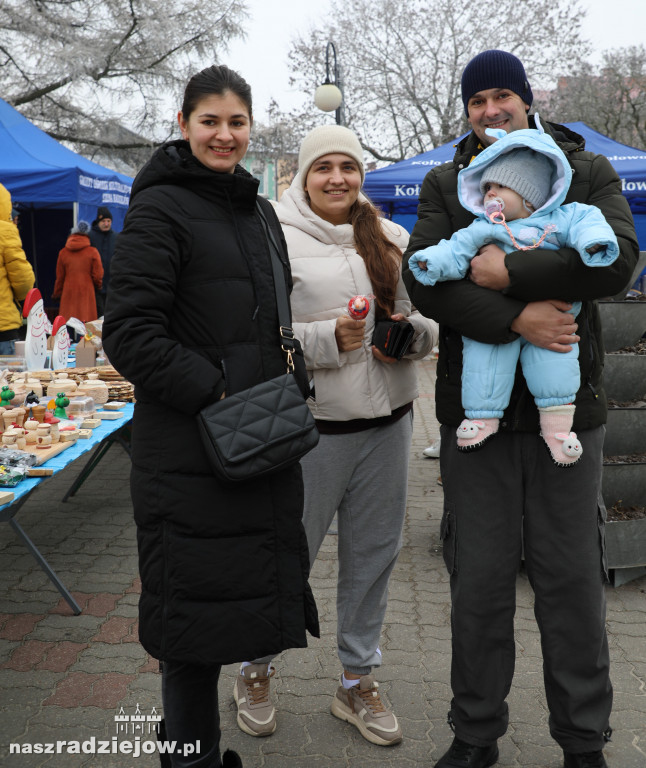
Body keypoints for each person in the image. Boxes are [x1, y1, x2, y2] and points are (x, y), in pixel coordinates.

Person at [402, 49, 638, 768]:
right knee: (478, 582)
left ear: (525, 101)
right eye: (477, 101)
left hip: (570, 411)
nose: (489, 110)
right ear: (468, 112)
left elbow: (619, 258)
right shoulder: (448, 183)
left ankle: (583, 741)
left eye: (502, 95)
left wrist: (513, 272)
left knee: (571, 583)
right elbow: (429, 286)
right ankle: (476, 735)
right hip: (475, 419)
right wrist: (519, 321)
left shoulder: (585, 168)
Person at [101, 64, 319, 768]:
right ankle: (189, 759)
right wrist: (216, 390)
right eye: (210, 122)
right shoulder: (160, 208)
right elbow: (129, 331)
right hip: (191, 455)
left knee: (235, 610)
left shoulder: (255, 210)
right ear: (183, 124)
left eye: (237, 122)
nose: (224, 135)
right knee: (191, 631)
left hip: (254, 445)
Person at [236, 125, 438, 747]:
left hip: (390, 425)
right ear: (302, 173)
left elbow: (427, 317)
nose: (337, 179)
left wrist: (415, 335)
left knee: (374, 559)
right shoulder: (273, 236)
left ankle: (356, 680)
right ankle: (254, 667)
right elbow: (255, 333)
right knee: (287, 553)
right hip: (313, 429)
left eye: (347, 167)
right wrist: (325, 341)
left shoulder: (390, 235)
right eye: (323, 167)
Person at [408, 124, 619, 466]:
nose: (490, 194)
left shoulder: (561, 218)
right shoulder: (483, 227)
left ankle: (558, 429)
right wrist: (431, 261)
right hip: (493, 320)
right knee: (484, 362)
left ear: (529, 194)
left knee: (556, 365)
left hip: (554, 319)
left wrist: (594, 243)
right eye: (486, 186)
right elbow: (456, 249)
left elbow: (589, 222)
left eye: (500, 187)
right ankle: (482, 418)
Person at [0, 184, 35, 355]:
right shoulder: (5, 231)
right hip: (3, 325)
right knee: (6, 380)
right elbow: (23, 280)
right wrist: (22, 299)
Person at [53, 220, 103, 322]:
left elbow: (60, 277)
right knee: (86, 326)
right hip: (87, 292)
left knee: (68, 324)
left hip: (68, 292)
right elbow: (98, 275)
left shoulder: (63, 252)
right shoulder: (92, 252)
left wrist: (57, 294)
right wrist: (98, 287)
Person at [89, 206, 117, 317]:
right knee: (98, 315)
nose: (106, 224)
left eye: (108, 221)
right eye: (103, 221)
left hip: (111, 285)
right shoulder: (90, 236)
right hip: (95, 286)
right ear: (98, 222)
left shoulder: (116, 237)